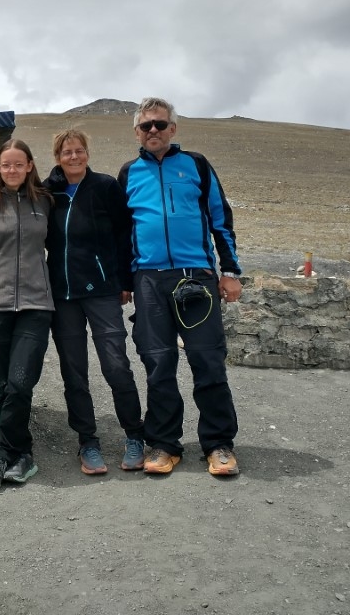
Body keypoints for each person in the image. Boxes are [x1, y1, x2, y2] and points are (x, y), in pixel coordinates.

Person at [117, 98, 242, 477]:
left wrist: (230, 271)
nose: (153, 131)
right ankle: (164, 444)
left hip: (196, 276)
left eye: (160, 124)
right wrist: (124, 281)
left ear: (173, 128)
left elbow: (220, 219)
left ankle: (218, 444)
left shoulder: (197, 165)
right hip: (148, 280)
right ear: (137, 132)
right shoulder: (128, 173)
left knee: (208, 360)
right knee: (158, 363)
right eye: (146, 126)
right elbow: (121, 233)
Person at [43, 129, 146, 475]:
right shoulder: (47, 192)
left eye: (79, 150)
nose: (74, 157)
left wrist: (124, 280)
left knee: (116, 364)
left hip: (102, 290)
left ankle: (134, 435)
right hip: (63, 295)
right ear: (58, 157)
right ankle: (87, 441)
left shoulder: (105, 186)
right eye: (67, 152)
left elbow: (124, 234)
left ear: (87, 153)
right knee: (74, 371)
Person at [0, 138, 54, 488]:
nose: (12, 170)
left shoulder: (44, 202)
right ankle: (22, 455)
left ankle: (2, 453)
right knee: (4, 386)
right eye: (6, 165)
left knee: (20, 382)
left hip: (36, 306)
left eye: (19, 164)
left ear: (29, 166)